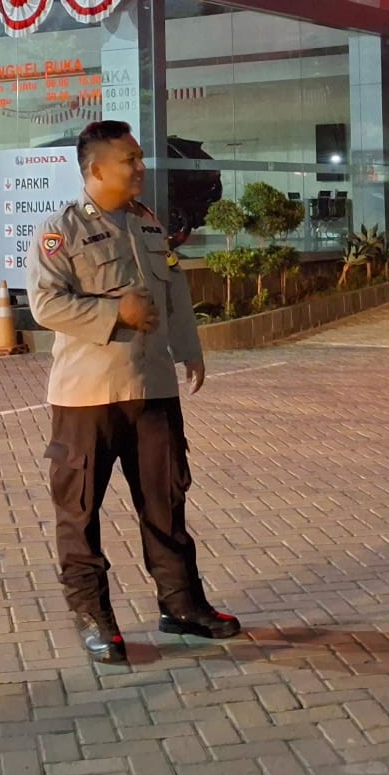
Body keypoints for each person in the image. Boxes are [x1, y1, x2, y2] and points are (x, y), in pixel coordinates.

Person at [26, 120, 240, 664]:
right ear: (97, 169)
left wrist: (190, 349)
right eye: (131, 160)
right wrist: (114, 311)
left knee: (166, 503)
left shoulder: (147, 223)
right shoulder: (61, 231)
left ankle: (182, 605)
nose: (141, 167)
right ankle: (93, 617)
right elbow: (46, 305)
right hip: (87, 397)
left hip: (152, 387)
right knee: (79, 513)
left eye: (139, 158)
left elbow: (175, 293)